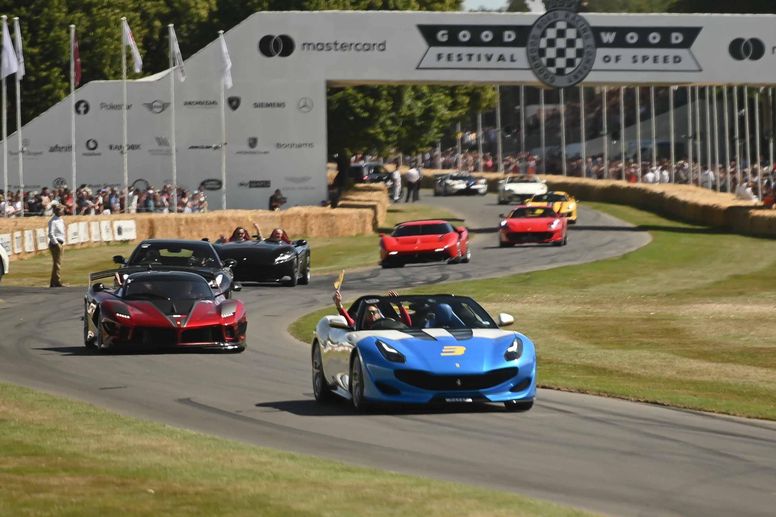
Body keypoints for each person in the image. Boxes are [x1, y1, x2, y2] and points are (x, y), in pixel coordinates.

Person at [332, 289, 411, 329]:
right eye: (369, 313)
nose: (372, 315)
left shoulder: (390, 322)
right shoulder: (360, 326)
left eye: (374, 312)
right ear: (365, 315)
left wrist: (400, 305)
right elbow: (350, 322)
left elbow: (407, 325)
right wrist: (339, 305)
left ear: (379, 314)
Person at [47, 204, 66, 287]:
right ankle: (56, 281)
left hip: (61, 242)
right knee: (57, 263)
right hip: (55, 244)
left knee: (58, 263)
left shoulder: (61, 220)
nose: (62, 211)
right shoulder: (52, 221)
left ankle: (53, 281)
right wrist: (56, 243)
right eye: (61, 210)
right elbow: (50, 234)